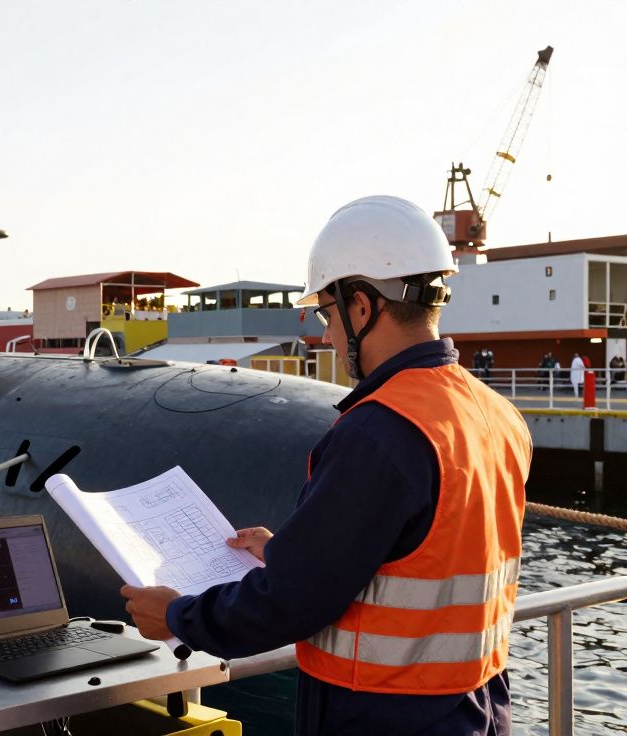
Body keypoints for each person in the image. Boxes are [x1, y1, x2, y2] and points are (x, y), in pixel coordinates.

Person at [120, 196, 531, 735]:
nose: (326, 334)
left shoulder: (380, 431)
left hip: (385, 719)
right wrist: (291, 552)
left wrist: (178, 618)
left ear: (361, 306)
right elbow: (427, 549)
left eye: (327, 313)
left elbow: (290, 603)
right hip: (475, 710)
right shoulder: (497, 414)